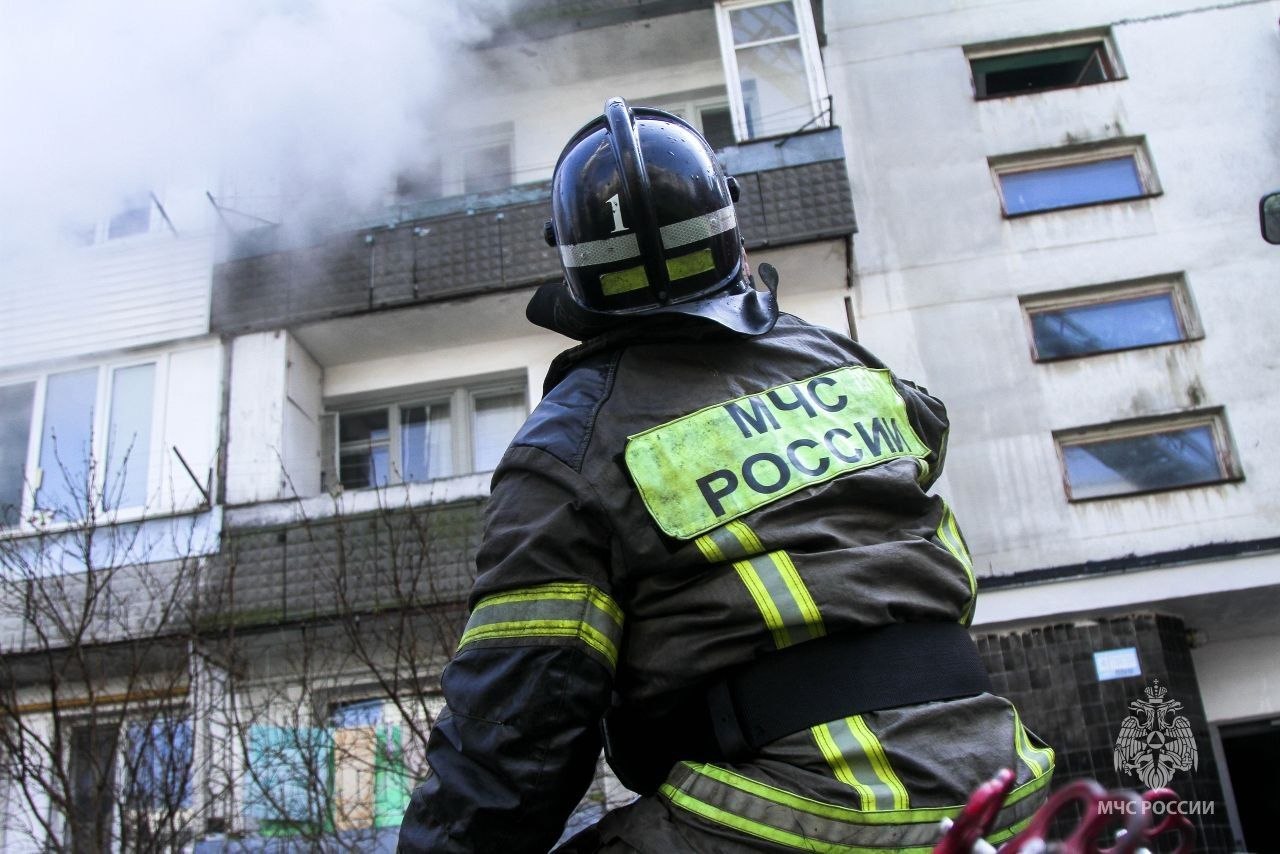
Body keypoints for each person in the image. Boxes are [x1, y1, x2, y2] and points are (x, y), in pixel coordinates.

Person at [398, 97, 1054, 853]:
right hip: (1002, 778)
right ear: (728, 226)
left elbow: (516, 728)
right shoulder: (840, 361)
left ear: (574, 263)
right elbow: (926, 434)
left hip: (794, 809)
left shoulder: (565, 453)